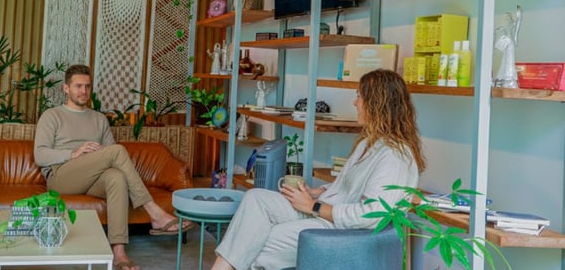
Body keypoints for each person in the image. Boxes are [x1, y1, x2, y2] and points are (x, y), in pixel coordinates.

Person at [211, 69, 427, 270]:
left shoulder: (395, 157)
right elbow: (345, 186)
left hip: (343, 229)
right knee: (255, 198)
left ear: (377, 103)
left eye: (359, 96)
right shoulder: (369, 143)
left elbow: (370, 215)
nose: (355, 102)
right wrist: (319, 192)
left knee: (260, 239)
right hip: (326, 209)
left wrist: (314, 206)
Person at [34, 64, 192, 270]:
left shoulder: (98, 119)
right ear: (66, 88)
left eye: (87, 86)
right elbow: (40, 155)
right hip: (62, 176)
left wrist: (96, 157)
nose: (83, 91)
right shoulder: (52, 115)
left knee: (116, 176)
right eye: (78, 86)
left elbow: (111, 156)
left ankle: (118, 253)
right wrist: (73, 153)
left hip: (91, 177)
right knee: (117, 151)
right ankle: (155, 213)